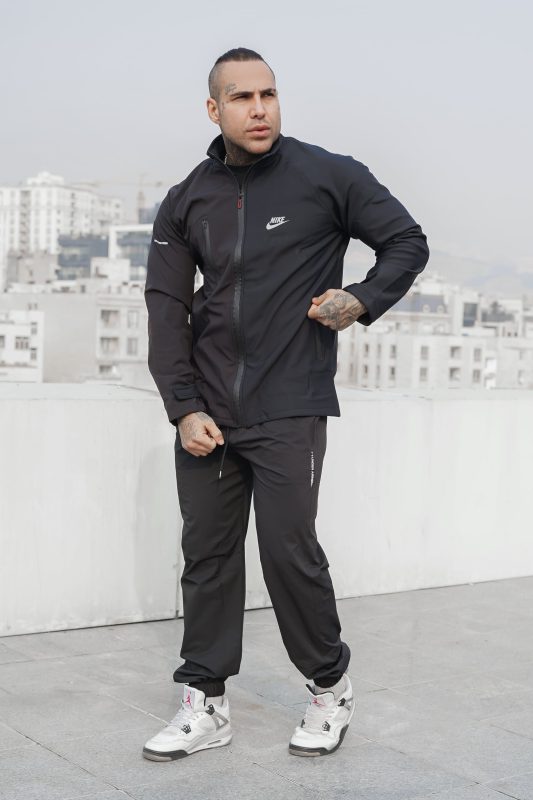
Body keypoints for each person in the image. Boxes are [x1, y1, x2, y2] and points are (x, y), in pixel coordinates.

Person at [142, 47, 429, 762]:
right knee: (207, 557)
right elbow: (165, 307)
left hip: (289, 404)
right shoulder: (187, 198)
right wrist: (182, 406)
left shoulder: (327, 175)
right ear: (214, 109)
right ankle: (205, 702)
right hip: (207, 410)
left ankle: (329, 687)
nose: (259, 108)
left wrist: (361, 298)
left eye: (268, 94)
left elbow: (406, 241)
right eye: (241, 97)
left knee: (288, 552)